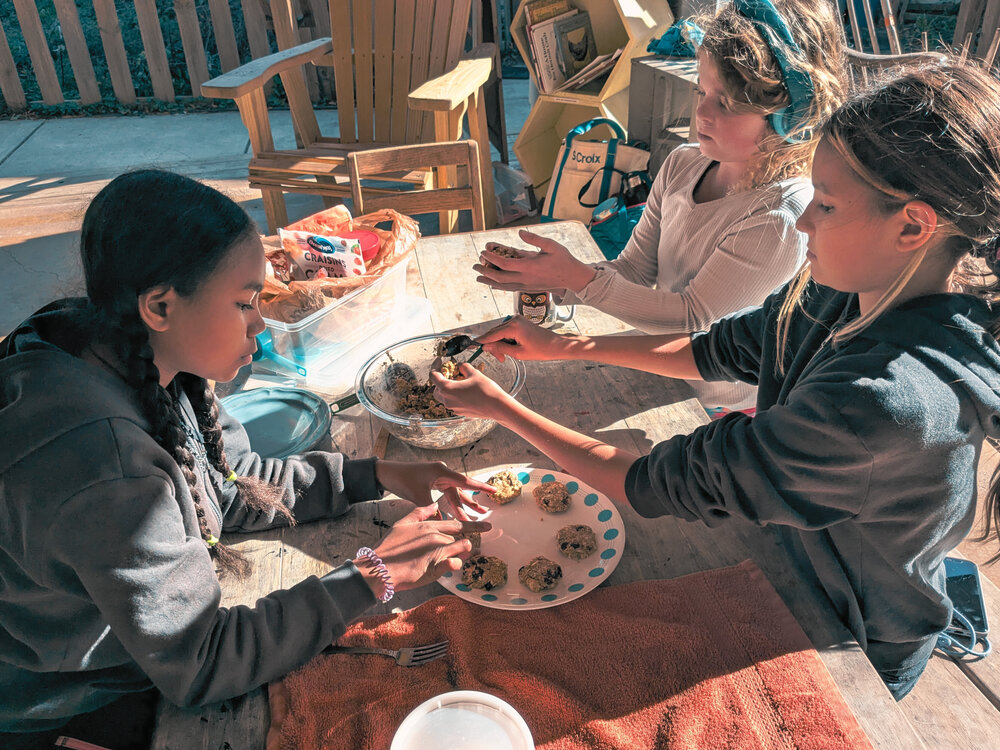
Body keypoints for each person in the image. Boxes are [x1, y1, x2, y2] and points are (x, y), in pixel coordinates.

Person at [433, 60, 1000, 700]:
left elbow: (648, 481)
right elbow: (718, 350)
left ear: (913, 226)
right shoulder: (849, 292)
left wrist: (501, 407)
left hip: (846, 637)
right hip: (778, 548)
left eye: (829, 204)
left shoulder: (882, 403)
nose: (805, 220)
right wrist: (556, 345)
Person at [0, 169, 492, 747]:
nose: (262, 322)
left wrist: (378, 474)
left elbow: (230, 486)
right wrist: (370, 575)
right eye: (244, 301)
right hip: (69, 700)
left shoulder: (133, 347)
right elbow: (203, 662)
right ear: (159, 304)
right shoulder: (107, 470)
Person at [479, 0, 847, 413]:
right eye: (701, 91)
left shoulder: (779, 217)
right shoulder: (684, 163)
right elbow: (635, 269)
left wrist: (579, 279)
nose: (702, 112)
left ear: (791, 117)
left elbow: (695, 322)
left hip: (721, 409)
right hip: (662, 372)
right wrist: (553, 279)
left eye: (725, 103)